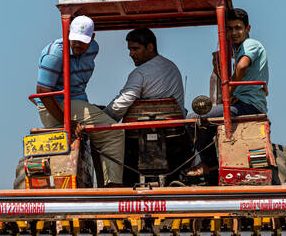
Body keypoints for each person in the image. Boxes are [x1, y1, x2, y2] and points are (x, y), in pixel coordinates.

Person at [35, 15, 123, 187]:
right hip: (56, 103)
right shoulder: (55, 54)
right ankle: (113, 186)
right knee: (114, 133)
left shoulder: (93, 49)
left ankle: (102, 184)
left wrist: (88, 108)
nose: (77, 45)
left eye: (83, 41)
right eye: (74, 40)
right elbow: (43, 92)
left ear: (92, 38)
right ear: (68, 34)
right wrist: (67, 121)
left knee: (100, 129)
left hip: (75, 102)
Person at [186, 8, 269, 177]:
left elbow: (242, 66)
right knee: (207, 120)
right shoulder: (238, 49)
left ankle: (208, 164)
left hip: (248, 106)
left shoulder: (250, 45)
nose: (234, 32)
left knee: (192, 119)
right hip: (243, 103)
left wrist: (228, 93)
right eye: (229, 29)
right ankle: (212, 160)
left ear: (248, 29)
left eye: (238, 28)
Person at [105, 28, 186, 120]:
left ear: (150, 47)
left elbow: (122, 104)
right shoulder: (172, 67)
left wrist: (102, 116)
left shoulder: (140, 73)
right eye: (130, 49)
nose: (131, 54)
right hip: (177, 126)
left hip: (146, 129)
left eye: (135, 49)